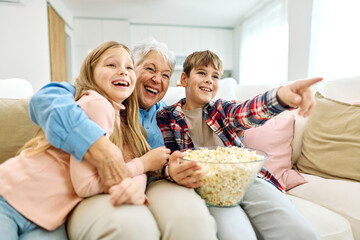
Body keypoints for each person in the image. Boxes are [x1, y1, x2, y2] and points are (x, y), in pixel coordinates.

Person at [29, 38, 218, 240]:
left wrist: (172, 169)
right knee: (132, 227)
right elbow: (44, 99)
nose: (157, 79)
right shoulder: (99, 97)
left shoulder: (167, 113)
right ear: (132, 70)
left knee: (190, 220)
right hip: (107, 184)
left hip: (154, 181)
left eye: (165, 75)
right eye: (149, 69)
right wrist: (94, 142)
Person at [0, 41, 172, 239]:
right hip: (10, 196)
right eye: (111, 65)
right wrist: (141, 165)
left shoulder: (121, 117)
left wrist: (136, 181)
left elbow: (127, 163)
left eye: (128, 67)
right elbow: (87, 185)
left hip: (46, 216)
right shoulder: (97, 104)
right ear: (91, 73)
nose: (123, 72)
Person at [156, 50, 322, 240]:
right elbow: (165, 157)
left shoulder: (221, 110)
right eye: (202, 73)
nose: (209, 79)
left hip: (248, 179)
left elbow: (247, 112)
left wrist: (281, 97)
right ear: (184, 79)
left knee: (301, 233)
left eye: (215, 76)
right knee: (236, 234)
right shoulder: (166, 117)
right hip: (208, 187)